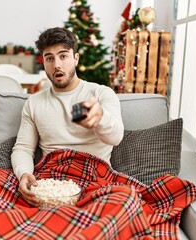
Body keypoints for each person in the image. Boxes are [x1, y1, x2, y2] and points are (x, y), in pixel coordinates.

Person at [11, 27, 124, 206]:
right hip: (50, 182)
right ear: (44, 62)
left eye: (63, 56)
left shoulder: (101, 94)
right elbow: (23, 148)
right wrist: (24, 174)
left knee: (126, 200)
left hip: (96, 180)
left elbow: (116, 137)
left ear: (76, 59)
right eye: (50, 58)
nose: (57, 64)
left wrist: (100, 117)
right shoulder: (34, 103)